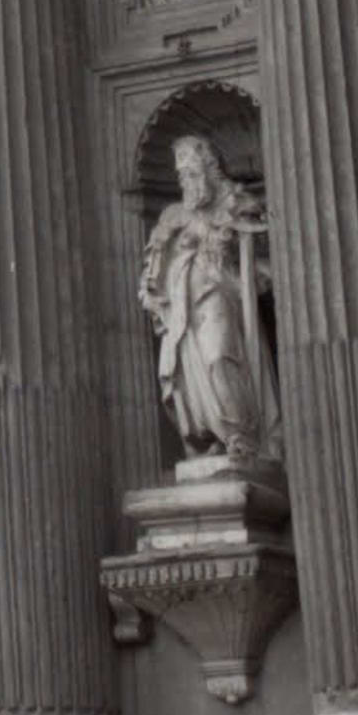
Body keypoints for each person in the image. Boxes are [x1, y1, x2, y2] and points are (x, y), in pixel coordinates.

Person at [138, 132, 277, 474]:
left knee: (219, 357)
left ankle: (240, 434)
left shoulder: (234, 202)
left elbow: (263, 253)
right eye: (181, 175)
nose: (186, 181)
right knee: (187, 376)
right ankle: (209, 436)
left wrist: (239, 235)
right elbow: (153, 268)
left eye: (192, 172)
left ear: (209, 169)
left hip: (220, 295)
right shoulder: (173, 216)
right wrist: (153, 290)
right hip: (182, 309)